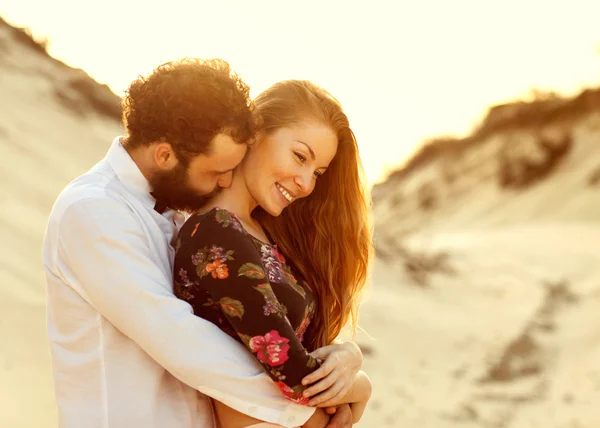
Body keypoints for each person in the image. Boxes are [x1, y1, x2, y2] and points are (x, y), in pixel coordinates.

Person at [42, 58, 352, 428]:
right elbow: (184, 343)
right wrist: (328, 401)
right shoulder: (94, 211)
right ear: (165, 155)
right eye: (217, 173)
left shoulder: (178, 211)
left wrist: (348, 359)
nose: (224, 184)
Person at [173, 80, 373, 428]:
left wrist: (347, 353)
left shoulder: (263, 234)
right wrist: (363, 387)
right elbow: (296, 377)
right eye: (300, 156)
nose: (307, 184)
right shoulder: (214, 233)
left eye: (318, 172)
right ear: (256, 131)